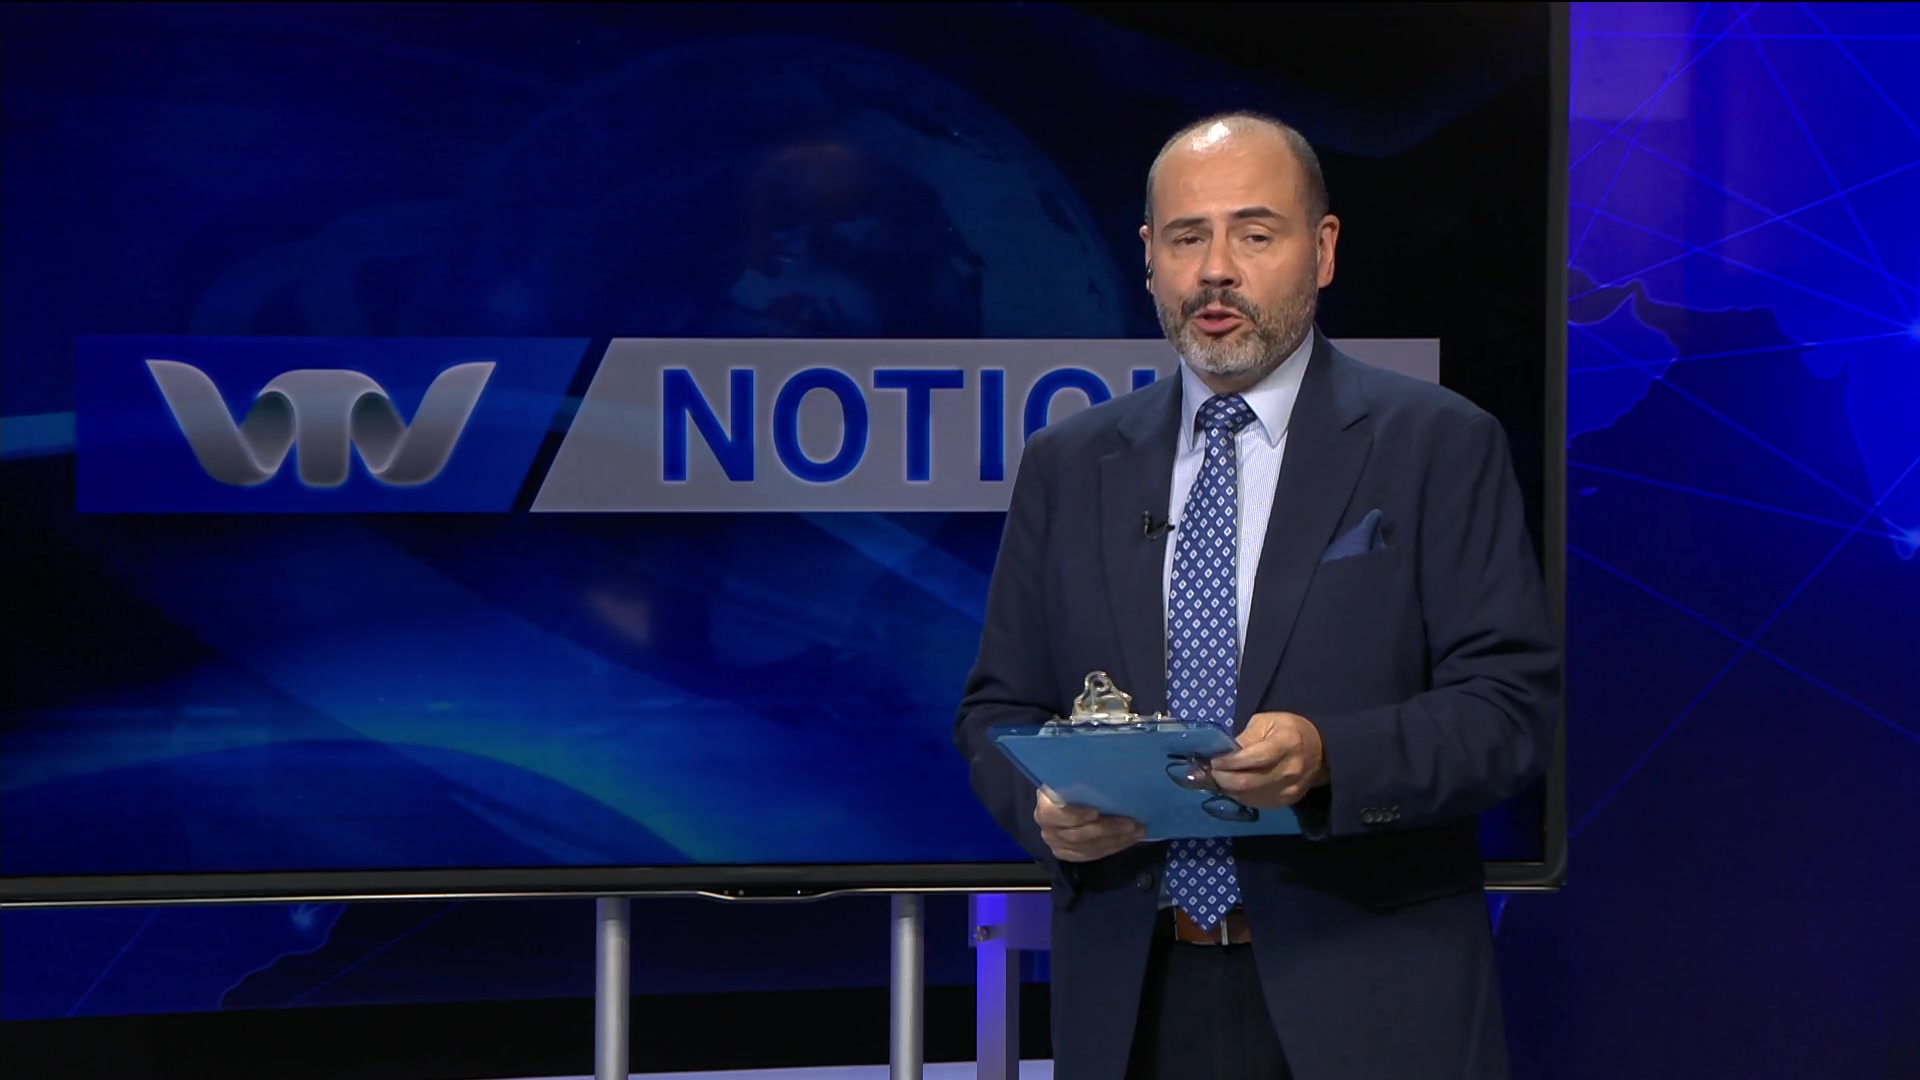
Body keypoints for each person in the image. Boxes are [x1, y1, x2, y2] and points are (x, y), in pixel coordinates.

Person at [953, 111, 1561, 1080]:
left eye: (1255, 234)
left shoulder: (1437, 445)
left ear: (1323, 251)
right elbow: (996, 709)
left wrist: (1329, 758)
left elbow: (1511, 712)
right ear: (1148, 259)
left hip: (1367, 1004)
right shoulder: (1069, 465)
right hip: (1134, 1008)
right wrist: (1046, 812)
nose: (1216, 271)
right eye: (1186, 238)